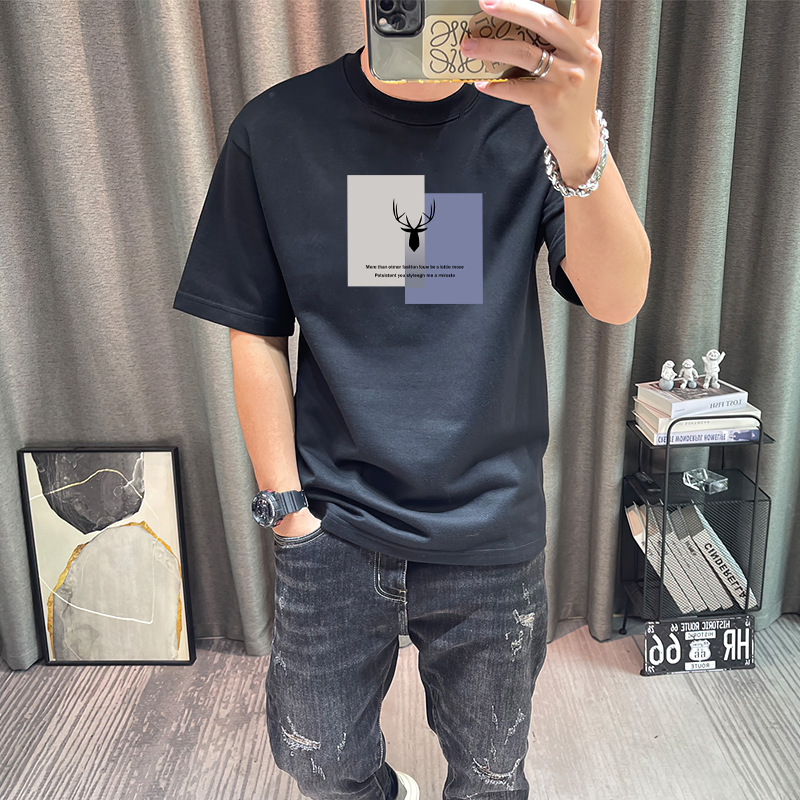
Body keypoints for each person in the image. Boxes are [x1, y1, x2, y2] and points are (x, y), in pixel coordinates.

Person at [172, 0, 650, 797]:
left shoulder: (532, 120)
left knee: (491, 773)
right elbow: (253, 327)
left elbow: (617, 298)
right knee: (317, 758)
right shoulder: (276, 128)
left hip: (488, 522)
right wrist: (287, 510)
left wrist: (578, 140)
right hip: (336, 517)